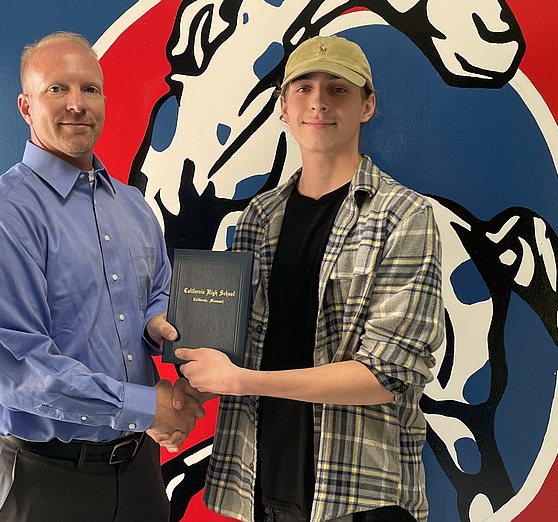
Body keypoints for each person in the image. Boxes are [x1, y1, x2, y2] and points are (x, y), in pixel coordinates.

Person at [175, 36, 444, 522]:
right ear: (283, 106)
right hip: (260, 483)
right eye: (303, 88)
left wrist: (240, 380)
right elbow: (239, 346)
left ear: (368, 105)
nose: (318, 101)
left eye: (338, 89)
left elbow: (386, 374)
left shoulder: (403, 216)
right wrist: (188, 393)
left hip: (358, 494)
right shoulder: (259, 216)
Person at [0, 31, 203, 522]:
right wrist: (147, 406)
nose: (77, 104)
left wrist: (157, 323)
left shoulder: (132, 206)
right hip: (41, 479)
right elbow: (20, 369)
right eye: (57, 90)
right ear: (26, 106)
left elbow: (157, 291)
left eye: (90, 89)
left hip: (136, 471)